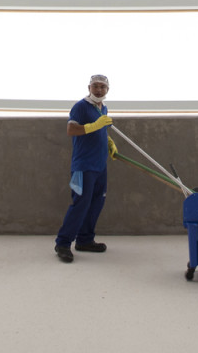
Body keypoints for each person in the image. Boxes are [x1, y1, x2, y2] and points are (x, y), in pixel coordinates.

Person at [54, 73, 118, 263]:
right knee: (80, 203)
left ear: (107, 90)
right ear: (89, 88)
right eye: (95, 86)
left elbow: (100, 130)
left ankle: (85, 239)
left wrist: (108, 141)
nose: (98, 89)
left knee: (97, 202)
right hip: (84, 165)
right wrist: (92, 126)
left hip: (100, 165)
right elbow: (71, 130)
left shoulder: (103, 108)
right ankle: (63, 243)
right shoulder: (81, 107)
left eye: (102, 87)